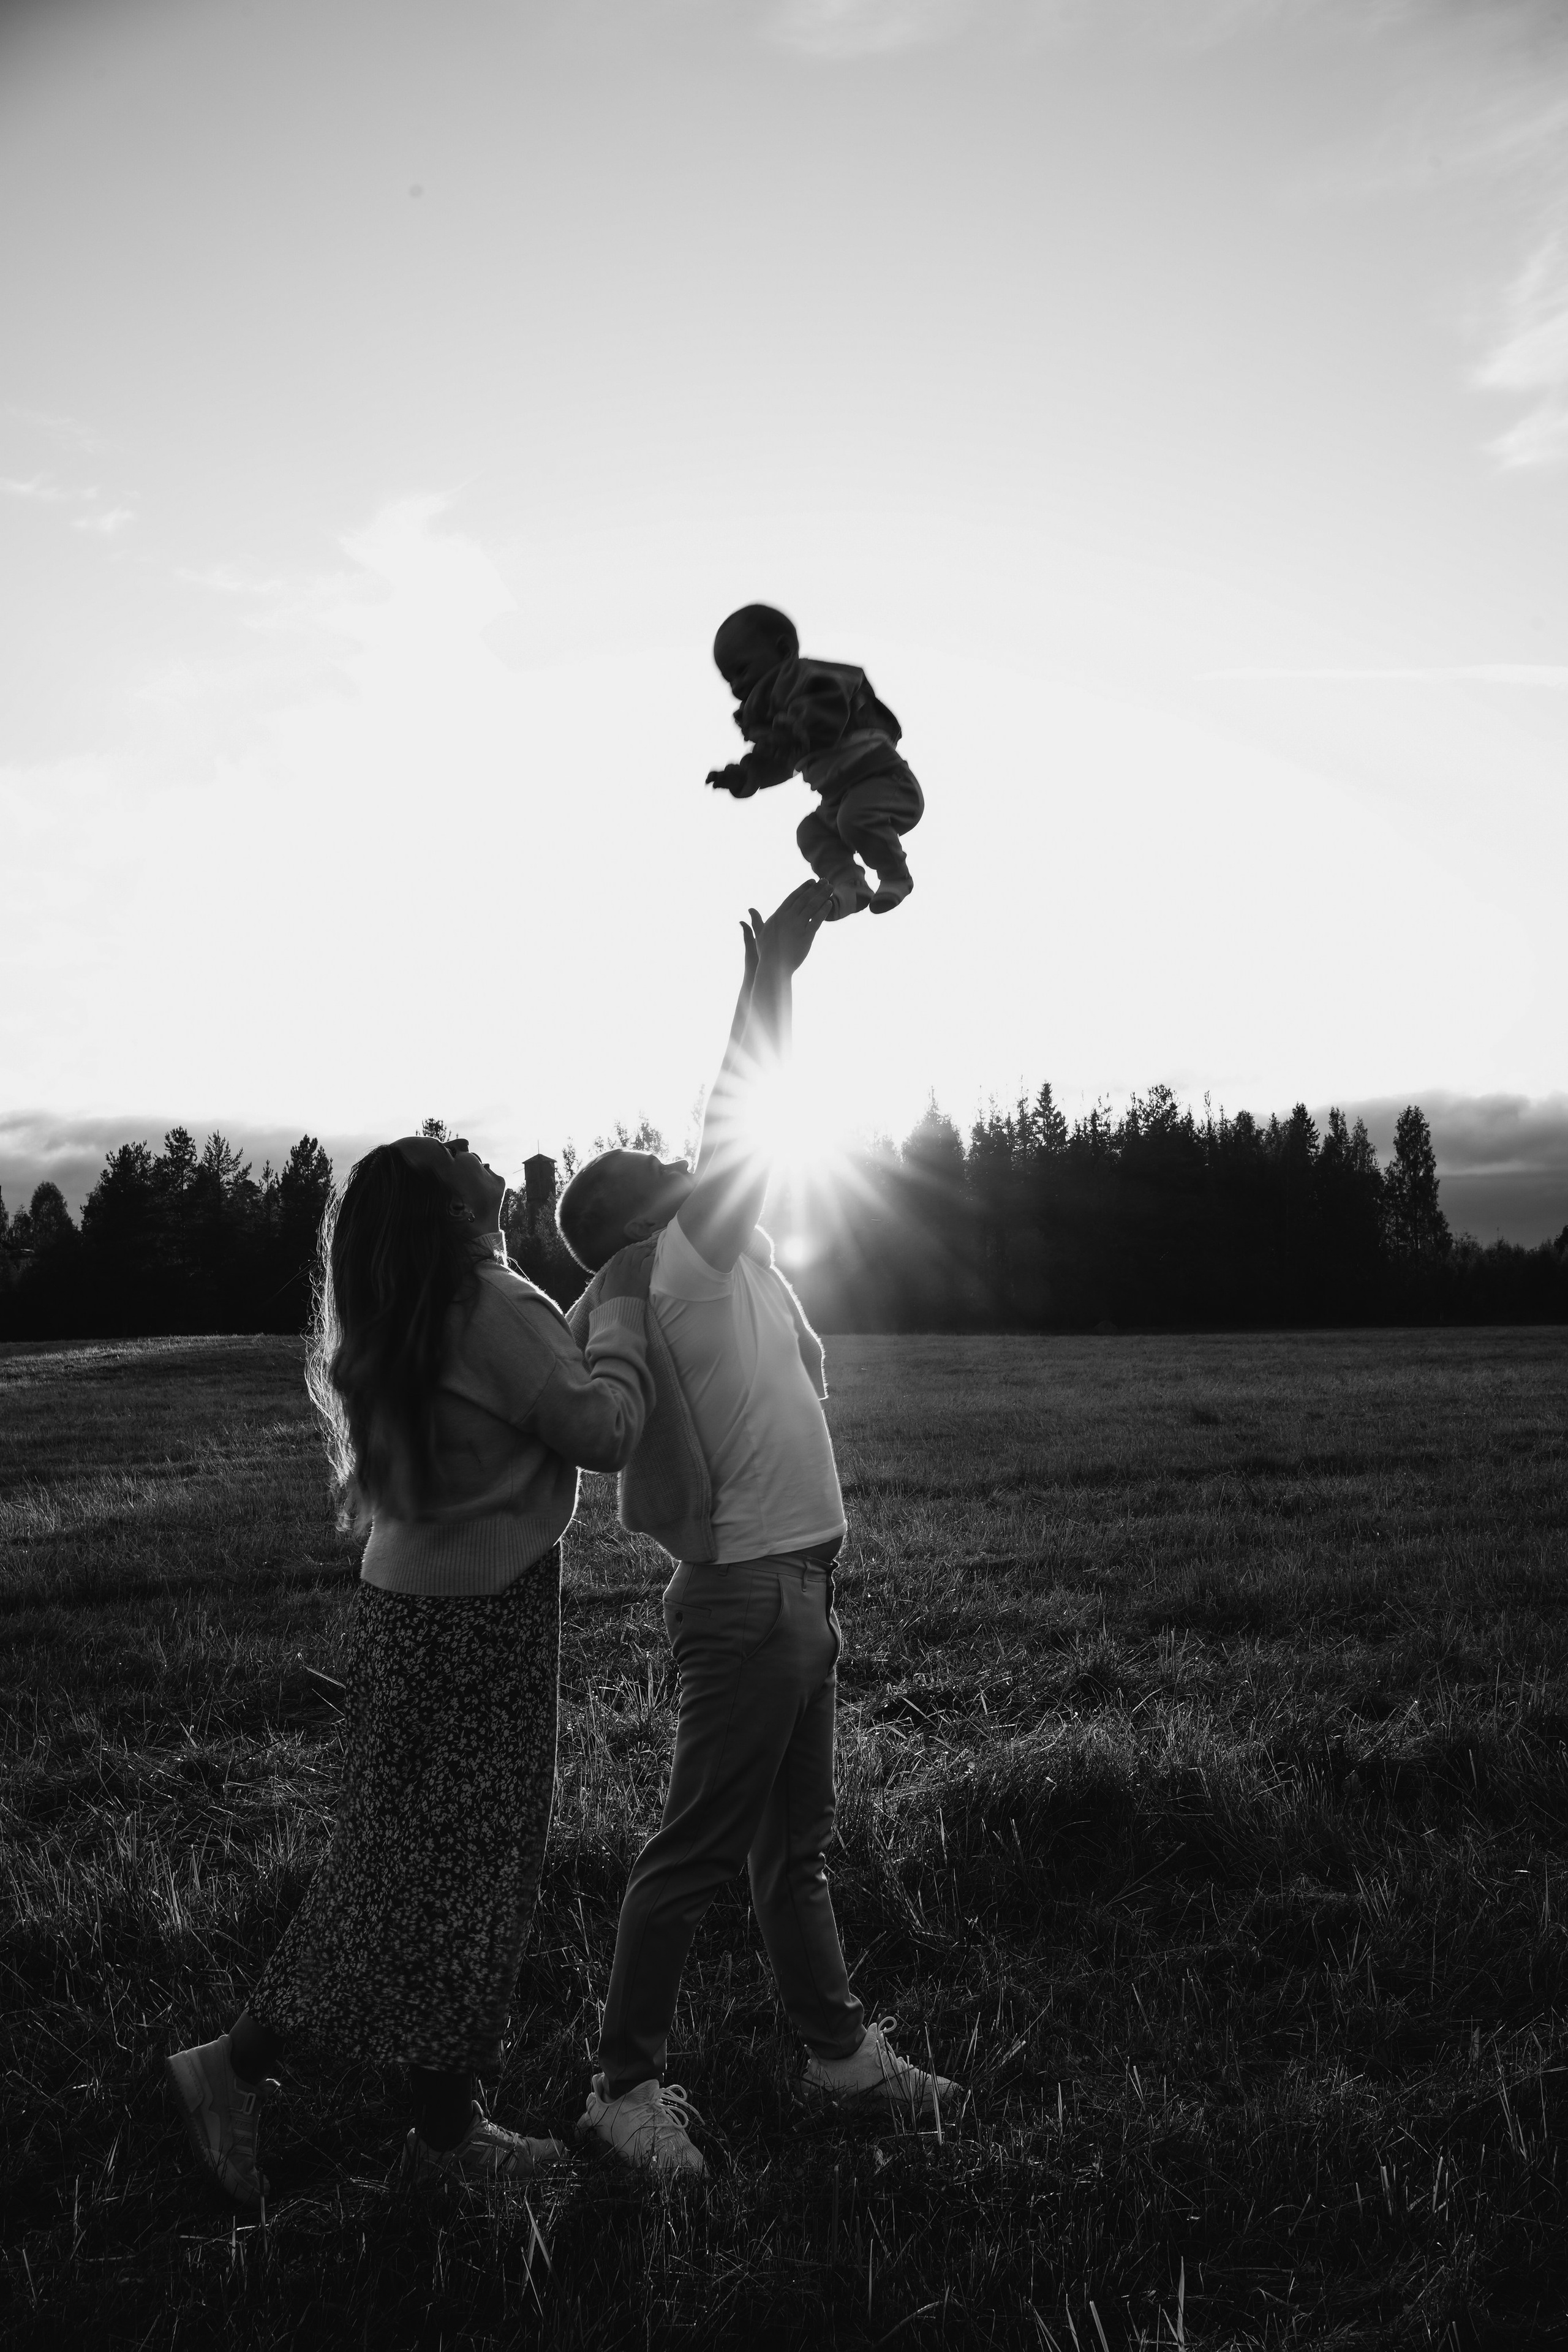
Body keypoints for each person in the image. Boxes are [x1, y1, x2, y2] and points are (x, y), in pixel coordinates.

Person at [165, 1135, 654, 2209]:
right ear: (443, 1210)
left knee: (408, 1869)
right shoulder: (489, 1299)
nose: (471, 1146)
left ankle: (444, 2123)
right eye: (452, 1153)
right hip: (482, 1624)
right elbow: (600, 1426)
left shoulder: (433, 1307)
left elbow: (533, 1380)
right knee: (447, 1877)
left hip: (409, 1619)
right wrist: (623, 1316)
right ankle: (239, 2071)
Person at [557, 881, 960, 2179]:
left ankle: (835, 2055)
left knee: (794, 1853)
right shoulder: (679, 1266)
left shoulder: (726, 1271)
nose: (687, 1174)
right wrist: (771, 976)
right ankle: (621, 2090)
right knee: (692, 1855)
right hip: (748, 1603)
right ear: (634, 1223)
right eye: (662, 1180)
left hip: (798, 1593)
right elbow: (737, 1117)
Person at [705, 603, 924, 919]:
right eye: (729, 680)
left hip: (885, 783)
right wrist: (747, 775)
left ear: (782, 651)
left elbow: (824, 715)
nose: (737, 686)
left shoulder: (811, 679)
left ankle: (896, 877)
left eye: (742, 671)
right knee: (811, 832)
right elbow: (781, 760)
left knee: (854, 818)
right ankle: (851, 885)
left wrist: (788, 731)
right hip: (839, 800)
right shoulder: (774, 711)